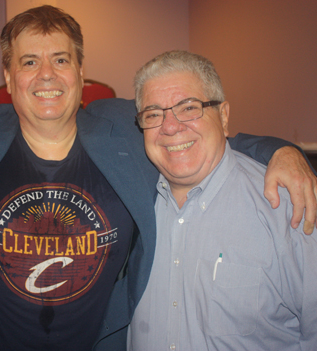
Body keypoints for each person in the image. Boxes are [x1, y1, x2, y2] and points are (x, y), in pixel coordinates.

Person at [0, 6, 316, 351]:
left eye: (61, 59)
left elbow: (191, 128)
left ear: (81, 73)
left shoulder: (126, 127)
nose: (47, 75)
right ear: (8, 78)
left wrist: (282, 151)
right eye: (29, 62)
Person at [128, 50, 317, 351]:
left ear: (224, 116)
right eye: (153, 114)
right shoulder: (131, 199)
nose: (170, 127)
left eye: (189, 108)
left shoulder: (288, 207)